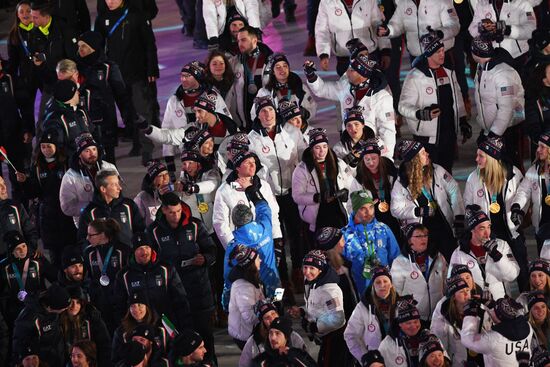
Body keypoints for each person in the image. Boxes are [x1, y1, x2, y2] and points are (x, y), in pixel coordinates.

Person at [148, 192, 217, 364]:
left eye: (178, 211)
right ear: (163, 210)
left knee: (205, 338)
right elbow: (151, 260)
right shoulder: (154, 232)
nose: (176, 215)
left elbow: (212, 249)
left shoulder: (194, 225)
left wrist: (205, 259)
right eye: (171, 212)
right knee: (180, 340)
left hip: (199, 290)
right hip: (173, 294)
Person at [248, 95, 306, 295]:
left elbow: (304, 155)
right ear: (258, 115)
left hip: (292, 193)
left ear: (276, 111)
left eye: (270, 110)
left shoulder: (292, 131)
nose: (267, 114)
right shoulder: (251, 140)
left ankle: (299, 273)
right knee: (275, 240)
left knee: (297, 235)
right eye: (263, 111)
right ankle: (282, 281)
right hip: (269, 198)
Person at [94, 0, 160, 165]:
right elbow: (99, 46)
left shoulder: (136, 15)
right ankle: (136, 143)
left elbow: (149, 44)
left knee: (141, 109)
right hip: (116, 74)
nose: (110, 2)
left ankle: (147, 149)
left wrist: (152, 69)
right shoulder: (102, 19)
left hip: (137, 71)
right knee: (127, 111)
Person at [399, 31, 469, 173]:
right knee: (427, 176)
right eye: (438, 52)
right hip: (426, 139)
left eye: (443, 50)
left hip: (448, 135)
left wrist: (462, 121)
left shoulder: (449, 72)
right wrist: (420, 114)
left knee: (446, 174)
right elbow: (402, 106)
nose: (442, 54)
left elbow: (457, 97)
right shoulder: (415, 77)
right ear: (429, 54)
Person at [464, 135, 527, 291]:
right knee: (494, 274)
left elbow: (523, 196)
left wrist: (519, 212)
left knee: (522, 270)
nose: (476, 159)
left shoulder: (513, 175)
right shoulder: (474, 177)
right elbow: (467, 203)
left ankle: (526, 302)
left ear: (492, 158)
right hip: (488, 234)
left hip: (511, 231)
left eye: (481, 156)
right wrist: (470, 211)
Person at [304, 55, 396, 158]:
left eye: (351, 70)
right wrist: (311, 76)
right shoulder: (345, 86)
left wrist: (387, 159)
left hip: (370, 152)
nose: (347, 72)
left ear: (362, 74)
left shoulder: (382, 97)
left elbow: (388, 130)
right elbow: (322, 90)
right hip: (347, 147)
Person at [390, 140, 465, 261]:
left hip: (443, 225)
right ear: (415, 160)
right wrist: (416, 211)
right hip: (421, 231)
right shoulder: (401, 182)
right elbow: (395, 210)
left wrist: (459, 216)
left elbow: (454, 190)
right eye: (423, 153)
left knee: (452, 258)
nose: (427, 154)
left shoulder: (437, 170)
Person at [15, 130, 76, 268]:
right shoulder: (37, 166)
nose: (46, 150)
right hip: (48, 216)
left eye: (49, 146)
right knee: (54, 255)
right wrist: (24, 182)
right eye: (43, 146)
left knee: (71, 252)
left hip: (66, 213)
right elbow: (33, 193)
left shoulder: (66, 162)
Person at [222, 175, 281, 307]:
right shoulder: (265, 226)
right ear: (251, 216)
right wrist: (251, 189)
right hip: (274, 282)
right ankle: (280, 309)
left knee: (259, 317)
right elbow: (264, 207)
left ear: (234, 222)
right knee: (277, 309)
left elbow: (228, 275)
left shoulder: (234, 243)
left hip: (253, 291)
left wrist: (226, 302)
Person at [113, 232, 192, 330]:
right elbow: (119, 305)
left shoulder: (166, 269)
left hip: (166, 323)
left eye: (147, 247)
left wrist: (184, 323)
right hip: (139, 326)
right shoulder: (124, 275)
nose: (144, 252)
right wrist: (125, 327)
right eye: (139, 248)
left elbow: (180, 298)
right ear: (133, 252)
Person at [76, 30, 132, 164]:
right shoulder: (75, 68)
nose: (80, 49)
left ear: (93, 47)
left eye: (84, 46)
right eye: (79, 46)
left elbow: (121, 95)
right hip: (83, 123)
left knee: (108, 163)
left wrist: (128, 119)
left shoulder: (108, 67)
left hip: (105, 122)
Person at [471, 37, 525, 169]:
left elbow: (506, 109)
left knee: (511, 169)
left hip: (507, 132)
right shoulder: (482, 68)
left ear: (476, 53)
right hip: (490, 131)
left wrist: (494, 134)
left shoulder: (503, 74)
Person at [291, 128, 353, 240]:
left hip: (338, 211)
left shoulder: (339, 163)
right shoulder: (302, 169)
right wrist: (315, 197)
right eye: (317, 147)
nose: (322, 151)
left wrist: (346, 193)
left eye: (324, 146)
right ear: (311, 149)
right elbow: (297, 196)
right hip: (318, 215)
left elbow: (351, 184)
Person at [213, 149, 282, 248]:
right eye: (248, 163)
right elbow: (220, 223)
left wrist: (277, 238)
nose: (253, 165)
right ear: (237, 167)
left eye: (254, 162)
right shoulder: (225, 191)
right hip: (242, 245)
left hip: (265, 242)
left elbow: (273, 213)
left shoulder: (264, 186)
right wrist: (232, 246)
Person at [450, 204, 520, 300]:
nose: (487, 233)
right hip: (474, 305)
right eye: (482, 228)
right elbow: (453, 284)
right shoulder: (459, 253)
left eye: (489, 227)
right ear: (472, 230)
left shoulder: (501, 245)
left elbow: (513, 275)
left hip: (500, 303)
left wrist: (497, 257)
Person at [294, 250, 348, 366]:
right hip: (324, 338)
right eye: (305, 267)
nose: (307, 272)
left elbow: (337, 318)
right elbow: (316, 306)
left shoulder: (330, 291)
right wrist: (302, 311)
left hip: (334, 340)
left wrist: (315, 326)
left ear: (320, 269)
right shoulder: (312, 281)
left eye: (312, 268)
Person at [342, 190, 400, 297]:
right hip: (361, 291)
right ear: (354, 211)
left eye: (371, 207)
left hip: (385, 288)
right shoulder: (345, 234)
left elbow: (396, 258)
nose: (368, 212)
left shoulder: (383, 228)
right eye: (363, 209)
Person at [313, 0, 390, 76]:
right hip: (344, 58)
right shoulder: (326, 2)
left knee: (375, 86)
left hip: (369, 54)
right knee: (347, 87)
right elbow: (322, 30)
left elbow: (379, 24)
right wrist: (323, 54)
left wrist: (385, 50)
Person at [0, 231, 57, 331]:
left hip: (38, 309)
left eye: (24, 246)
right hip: (15, 313)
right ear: (11, 251)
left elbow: (56, 278)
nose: (23, 250)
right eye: (18, 248)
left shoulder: (37, 260)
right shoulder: (4, 266)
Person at [59, 132, 118, 227]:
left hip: (111, 220)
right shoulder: (70, 177)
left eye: (94, 149)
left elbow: (119, 193)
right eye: (87, 151)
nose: (92, 153)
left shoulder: (109, 168)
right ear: (79, 154)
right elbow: (67, 207)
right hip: (87, 224)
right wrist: (91, 208)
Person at [391, 223, 447, 321]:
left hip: (439, 316)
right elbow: (395, 293)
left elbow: (447, 283)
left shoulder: (438, 257)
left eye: (425, 235)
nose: (423, 239)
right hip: (414, 319)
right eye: (418, 236)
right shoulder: (399, 262)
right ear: (409, 240)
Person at [27, 0, 78, 110]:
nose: (32, 20)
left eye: (35, 17)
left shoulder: (64, 29)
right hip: (49, 85)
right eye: (32, 16)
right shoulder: (33, 34)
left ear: (46, 16)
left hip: (66, 83)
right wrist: (38, 64)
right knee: (43, 122)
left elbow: (73, 58)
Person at [430, 275, 489, 367]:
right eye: (461, 292)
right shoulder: (445, 317)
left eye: (467, 290)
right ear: (453, 297)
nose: (466, 294)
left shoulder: (479, 308)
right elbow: (441, 346)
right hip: (460, 361)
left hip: (484, 358)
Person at [344, 266, 399, 363]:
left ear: (391, 284)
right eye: (378, 282)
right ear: (373, 285)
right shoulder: (362, 307)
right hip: (374, 360)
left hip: (397, 359)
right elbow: (350, 335)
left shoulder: (401, 304)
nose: (382, 285)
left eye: (385, 281)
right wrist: (366, 358)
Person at [83, 218, 129, 333]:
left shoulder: (123, 250)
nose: (87, 238)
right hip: (100, 302)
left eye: (90, 235)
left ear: (102, 235)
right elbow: (87, 277)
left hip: (120, 302)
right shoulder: (88, 253)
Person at [376, 0, 459, 63]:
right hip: (417, 58)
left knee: (446, 85)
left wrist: (439, 34)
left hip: (441, 55)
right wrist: (388, 30)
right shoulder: (404, 2)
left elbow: (454, 25)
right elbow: (397, 25)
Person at [78, 169, 144, 247]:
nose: (119, 188)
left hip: (128, 256)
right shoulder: (90, 212)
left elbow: (140, 231)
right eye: (114, 184)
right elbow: (83, 240)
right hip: (103, 258)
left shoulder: (129, 205)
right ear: (103, 189)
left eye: (118, 184)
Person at [348, 138, 400, 238]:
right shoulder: (359, 179)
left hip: (393, 220)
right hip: (372, 225)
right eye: (367, 159)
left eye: (374, 158)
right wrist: (364, 207)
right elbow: (351, 207)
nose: (371, 163)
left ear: (379, 157)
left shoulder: (392, 173)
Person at [461, 296, 534, 366]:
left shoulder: (493, 339)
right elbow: (509, 313)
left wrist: (470, 315)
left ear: (499, 316)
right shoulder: (528, 327)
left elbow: (467, 339)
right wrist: (492, 305)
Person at [12, 284, 71, 367]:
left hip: (59, 360)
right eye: (63, 308)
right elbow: (19, 345)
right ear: (50, 307)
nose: (66, 310)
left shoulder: (53, 311)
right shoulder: (29, 319)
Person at [468, 0, 536, 70]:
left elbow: (531, 29)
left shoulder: (523, 3)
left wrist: (507, 30)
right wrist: (481, 29)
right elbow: (472, 28)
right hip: (493, 58)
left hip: (518, 56)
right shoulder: (482, 3)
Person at [512, 131, 550, 252]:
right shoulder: (534, 171)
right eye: (538, 146)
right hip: (541, 225)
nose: (538, 150)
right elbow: (523, 192)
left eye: (542, 147)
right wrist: (517, 207)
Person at [240, 300, 307, 366]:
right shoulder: (254, 342)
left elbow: (306, 361)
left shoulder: (294, 337)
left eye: (273, 313)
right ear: (263, 322)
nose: (272, 318)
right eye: (267, 317)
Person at [251, 53, 316, 121]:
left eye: (285, 66)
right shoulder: (264, 92)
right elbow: (253, 115)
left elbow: (312, 107)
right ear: (273, 71)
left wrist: (306, 114)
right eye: (278, 67)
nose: (282, 69)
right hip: (278, 130)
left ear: (289, 69)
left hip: (298, 128)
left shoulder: (301, 87)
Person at [231, 26, 274, 130]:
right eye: (238, 41)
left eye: (243, 40)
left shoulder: (270, 60)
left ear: (254, 40)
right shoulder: (235, 62)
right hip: (244, 123)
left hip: (266, 118)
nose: (240, 44)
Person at [7, 1, 41, 131]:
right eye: (22, 12)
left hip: (43, 74)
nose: (25, 14)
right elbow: (13, 61)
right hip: (26, 77)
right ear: (17, 15)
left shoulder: (40, 29)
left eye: (28, 11)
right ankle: (29, 133)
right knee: (27, 110)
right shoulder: (14, 34)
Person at [59, 286, 111, 367]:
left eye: (78, 302)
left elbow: (104, 346)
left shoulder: (92, 319)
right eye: (71, 302)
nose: (74, 306)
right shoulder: (59, 321)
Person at [111, 292, 168, 365]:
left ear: (147, 306)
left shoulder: (160, 326)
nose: (136, 309)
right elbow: (116, 358)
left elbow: (170, 351)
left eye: (139, 305)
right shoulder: (121, 331)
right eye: (132, 306)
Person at [227, 245, 266, 349]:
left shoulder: (250, 279)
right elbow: (249, 317)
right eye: (258, 259)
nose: (260, 261)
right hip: (245, 335)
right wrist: (267, 313)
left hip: (249, 331)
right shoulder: (243, 287)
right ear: (251, 264)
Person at [41, 79, 91, 158]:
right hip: (71, 166)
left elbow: (91, 132)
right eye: (75, 92)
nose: (78, 93)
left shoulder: (80, 111)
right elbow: (57, 150)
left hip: (88, 161)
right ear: (69, 96)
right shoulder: (55, 120)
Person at [176, 149, 221, 235]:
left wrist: (191, 188)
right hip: (196, 231)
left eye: (190, 163)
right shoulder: (183, 180)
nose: (187, 167)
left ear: (198, 163)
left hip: (215, 228)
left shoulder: (210, 173)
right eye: (184, 164)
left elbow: (211, 185)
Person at [317, 227, 358, 317]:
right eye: (342, 240)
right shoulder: (325, 273)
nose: (344, 242)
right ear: (335, 246)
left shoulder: (346, 263)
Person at [378, 296, 429, 367]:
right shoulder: (386, 345)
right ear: (400, 324)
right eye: (408, 323)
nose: (413, 326)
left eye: (416, 321)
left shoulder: (429, 337)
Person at [251, 317, 318, 367]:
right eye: (271, 333)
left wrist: (293, 355)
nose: (273, 337)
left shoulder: (298, 354)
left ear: (286, 337)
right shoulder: (261, 361)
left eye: (277, 333)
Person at [0, 176, 38, 259]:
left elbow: (31, 232)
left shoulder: (16, 206)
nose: (4, 187)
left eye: (3, 183)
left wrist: (28, 251)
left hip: (20, 262)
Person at [332, 106, 375, 176]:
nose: (353, 128)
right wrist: (350, 160)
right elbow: (337, 173)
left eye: (356, 124)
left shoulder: (378, 143)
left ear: (363, 125)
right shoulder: (339, 148)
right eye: (349, 125)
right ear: (345, 128)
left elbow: (385, 166)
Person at [134, 160, 171, 227]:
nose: (165, 178)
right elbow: (137, 224)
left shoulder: (174, 193)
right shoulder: (141, 198)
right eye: (160, 176)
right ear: (153, 179)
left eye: (166, 174)